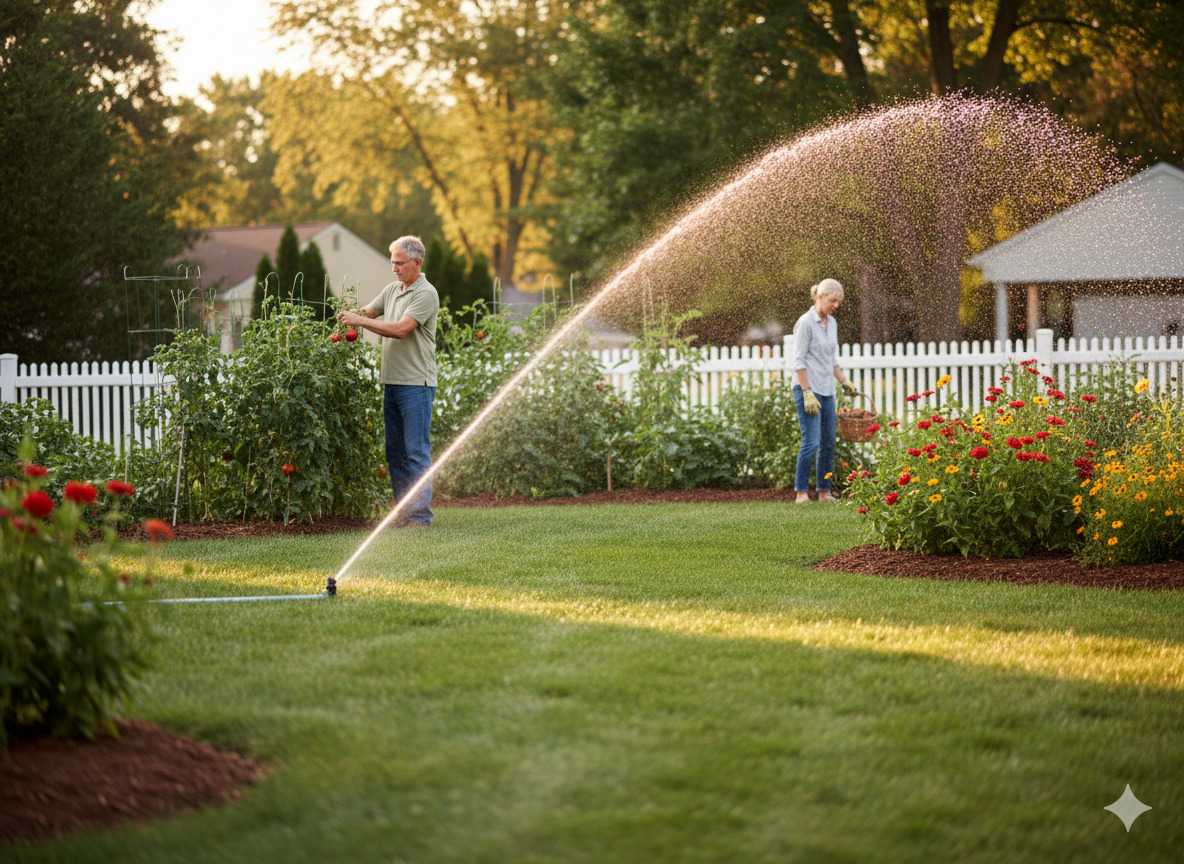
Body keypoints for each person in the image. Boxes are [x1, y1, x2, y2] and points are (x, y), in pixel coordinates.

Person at [337, 236, 440, 526]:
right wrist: (348, 315)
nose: (393, 267)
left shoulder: (426, 293)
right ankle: (403, 513)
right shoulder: (392, 290)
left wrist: (361, 323)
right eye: (391, 261)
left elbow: (401, 329)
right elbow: (368, 313)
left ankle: (420, 517)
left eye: (399, 262)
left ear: (417, 263)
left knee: (415, 452)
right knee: (394, 453)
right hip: (392, 383)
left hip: (416, 385)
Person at [791, 278, 859, 504]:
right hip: (807, 389)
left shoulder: (833, 323)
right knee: (811, 441)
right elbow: (798, 362)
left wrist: (844, 382)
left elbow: (832, 361)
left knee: (828, 442)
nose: (836, 305)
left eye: (838, 301)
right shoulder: (805, 323)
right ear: (819, 297)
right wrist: (807, 391)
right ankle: (801, 493)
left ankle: (824, 492)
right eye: (832, 300)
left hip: (827, 389)